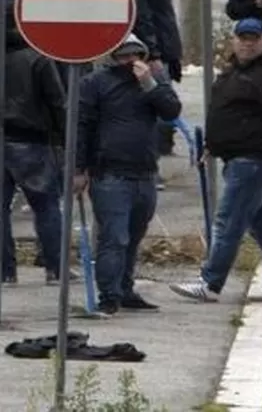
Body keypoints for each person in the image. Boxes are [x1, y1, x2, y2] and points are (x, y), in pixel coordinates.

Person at [75, 34, 182, 314]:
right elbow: (81, 126)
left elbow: (171, 110)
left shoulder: (153, 81)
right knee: (114, 237)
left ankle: (124, 288)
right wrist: (77, 169)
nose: (130, 62)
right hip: (111, 173)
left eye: (136, 55)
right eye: (124, 56)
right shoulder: (96, 83)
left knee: (134, 236)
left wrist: (150, 84)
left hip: (145, 172)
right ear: (113, 57)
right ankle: (109, 294)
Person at [170, 18, 262, 302]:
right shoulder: (233, 72)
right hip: (236, 157)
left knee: (228, 221)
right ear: (234, 40)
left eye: (254, 38)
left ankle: (210, 283)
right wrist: (213, 144)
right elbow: (225, 113)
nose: (247, 43)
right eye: (243, 38)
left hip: (252, 159)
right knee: (257, 220)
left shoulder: (261, 75)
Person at [0, 0, 68, 285]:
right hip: (32, 141)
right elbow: (57, 101)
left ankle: (5, 271)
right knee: (46, 205)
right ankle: (55, 268)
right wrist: (66, 142)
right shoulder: (38, 57)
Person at [126, 0, 183, 177]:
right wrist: (154, 54)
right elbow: (144, 18)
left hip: (161, 54)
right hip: (152, 58)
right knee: (161, 108)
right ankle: (149, 164)